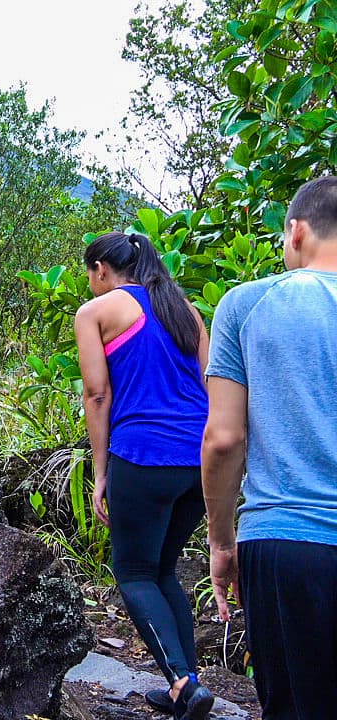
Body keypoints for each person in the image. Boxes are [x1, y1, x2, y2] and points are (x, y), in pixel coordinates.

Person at [203, 176, 337, 719]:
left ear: (296, 231)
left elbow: (224, 438)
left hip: (286, 541)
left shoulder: (246, 305)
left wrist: (221, 542)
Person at [73, 231, 214, 720]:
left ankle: (181, 681)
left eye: (89, 274)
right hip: (199, 462)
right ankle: (187, 686)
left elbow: (97, 395)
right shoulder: (185, 311)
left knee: (133, 574)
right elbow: (210, 384)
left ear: (101, 270)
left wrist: (101, 472)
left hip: (144, 454)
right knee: (163, 570)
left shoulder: (96, 312)